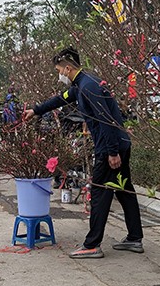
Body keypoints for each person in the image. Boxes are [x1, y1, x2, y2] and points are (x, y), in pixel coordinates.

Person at [23, 47, 144, 259]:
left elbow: (105, 120)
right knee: (124, 190)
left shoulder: (89, 86)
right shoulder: (82, 84)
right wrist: (36, 109)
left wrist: (112, 152)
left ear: (68, 68)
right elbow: (61, 99)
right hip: (120, 144)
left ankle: (92, 244)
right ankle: (135, 237)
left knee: (99, 193)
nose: (59, 75)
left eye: (59, 70)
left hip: (112, 147)